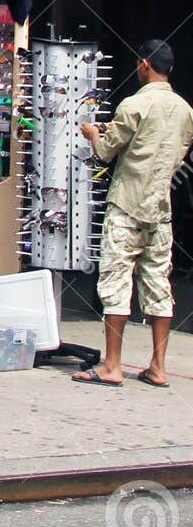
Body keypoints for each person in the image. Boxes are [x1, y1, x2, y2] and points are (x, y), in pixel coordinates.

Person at [74, 39, 193, 388]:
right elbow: (179, 154)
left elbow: (106, 152)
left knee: (115, 282)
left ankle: (112, 366)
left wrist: (93, 134)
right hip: (160, 208)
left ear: (145, 64)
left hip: (126, 205)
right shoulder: (186, 110)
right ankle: (158, 367)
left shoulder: (134, 104)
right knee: (158, 284)